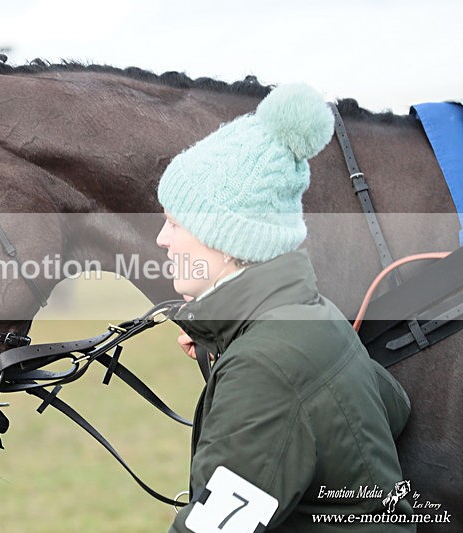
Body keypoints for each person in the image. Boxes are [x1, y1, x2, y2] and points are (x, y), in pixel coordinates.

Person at [156, 84, 413, 531]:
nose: (161, 238)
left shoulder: (265, 365)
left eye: (175, 223)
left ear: (229, 242)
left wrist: (252, 373)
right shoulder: (313, 313)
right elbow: (394, 407)